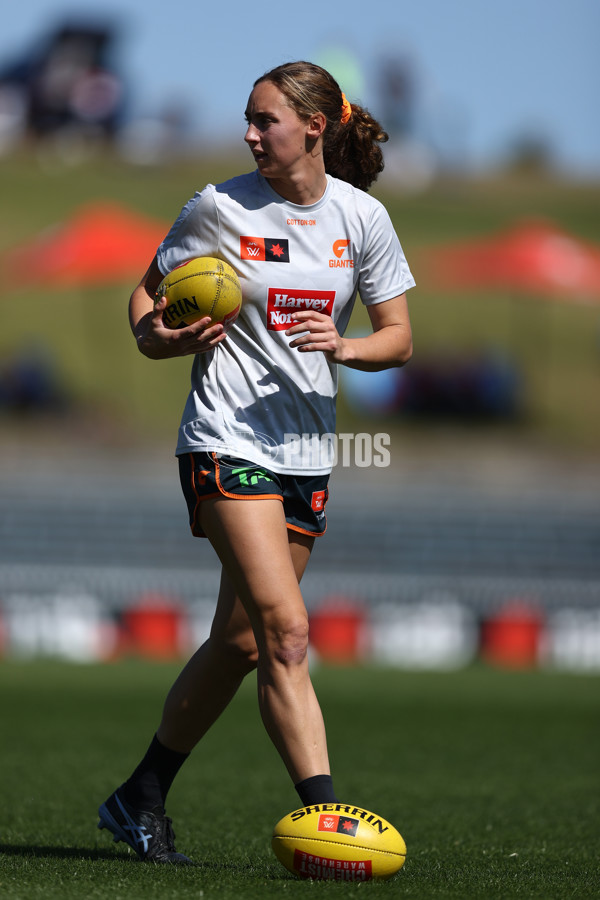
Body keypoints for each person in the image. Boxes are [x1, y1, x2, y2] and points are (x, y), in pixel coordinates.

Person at [98, 60, 415, 864]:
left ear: (315, 127)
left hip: (306, 451)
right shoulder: (218, 206)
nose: (248, 133)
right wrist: (158, 337)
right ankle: (331, 824)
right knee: (287, 633)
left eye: (264, 119)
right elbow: (145, 297)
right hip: (224, 438)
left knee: (241, 644)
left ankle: (139, 796)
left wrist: (347, 345)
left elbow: (399, 337)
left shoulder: (362, 219)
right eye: (247, 118)